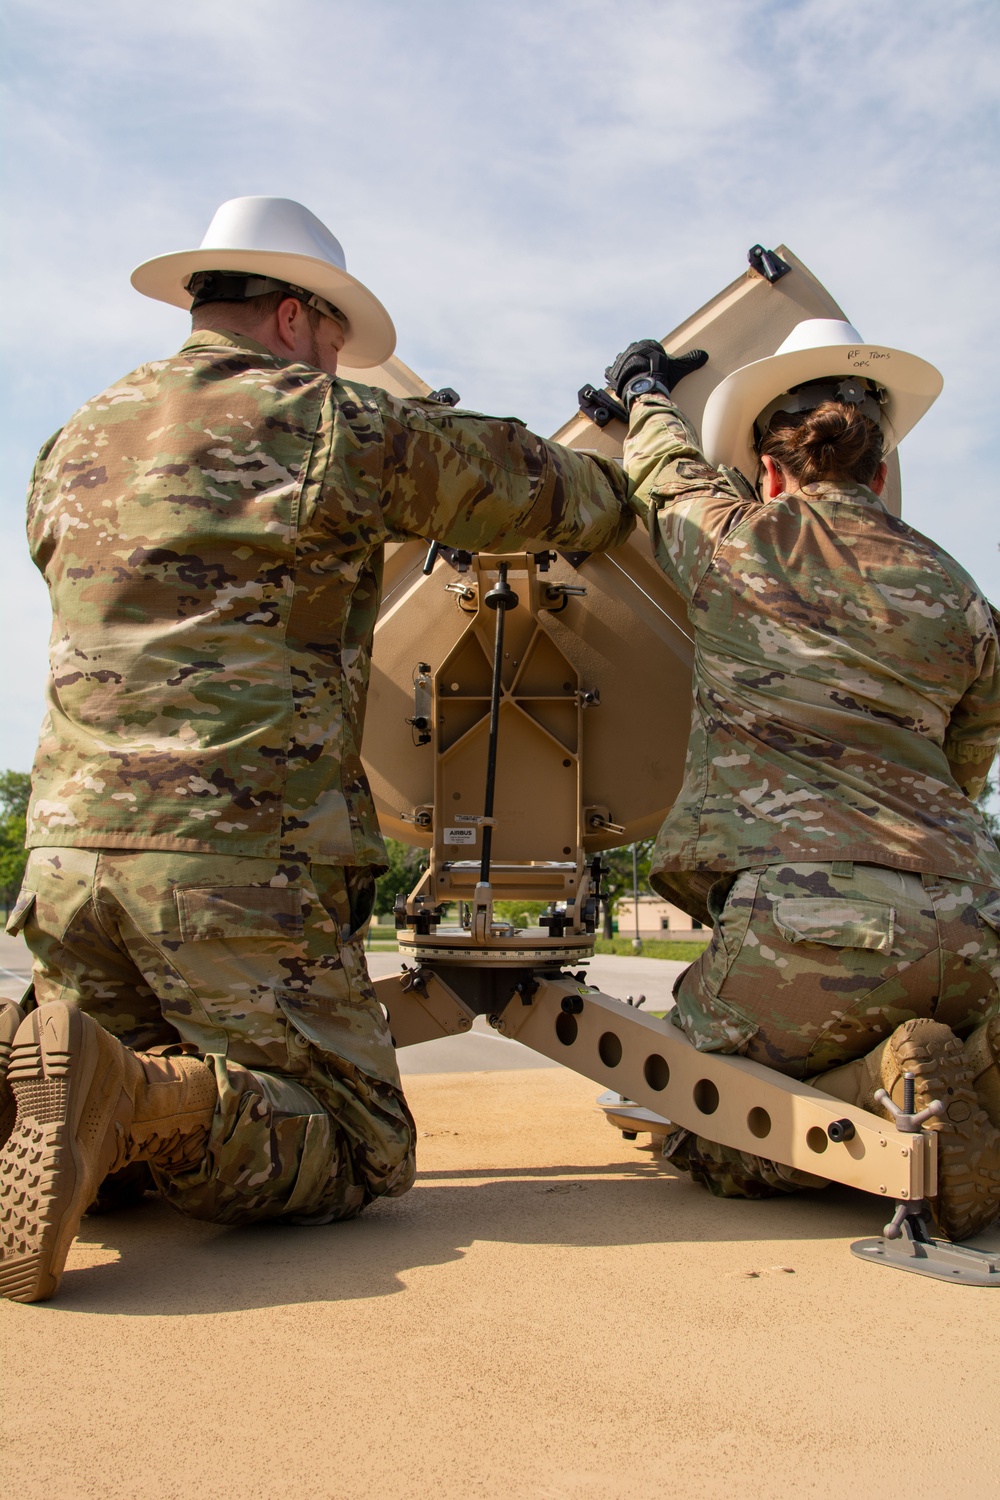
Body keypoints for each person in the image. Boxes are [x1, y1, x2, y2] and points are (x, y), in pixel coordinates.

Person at [0, 195, 653, 1305]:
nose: (342, 358)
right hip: (234, 868)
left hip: (66, 867)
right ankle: (133, 1092)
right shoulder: (325, 423)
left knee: (116, 1148)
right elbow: (554, 498)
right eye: (339, 336)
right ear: (298, 318)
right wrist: (625, 462)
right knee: (351, 1145)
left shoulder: (74, 438)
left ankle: (86, 1089)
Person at [606, 321, 1000, 1239]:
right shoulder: (962, 592)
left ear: (770, 469)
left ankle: (880, 1089)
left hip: (810, 933)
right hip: (977, 920)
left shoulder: (739, 542)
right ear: (882, 471)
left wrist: (644, 392)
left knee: (697, 1123)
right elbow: (968, 763)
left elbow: (664, 476)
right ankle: (970, 1072)